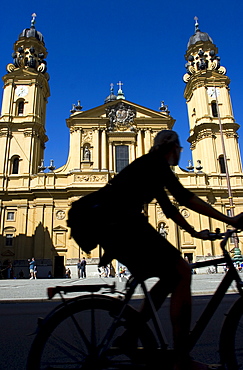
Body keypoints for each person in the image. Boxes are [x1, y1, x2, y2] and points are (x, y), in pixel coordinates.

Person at [68, 130, 243, 370]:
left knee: (171, 275)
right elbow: (184, 197)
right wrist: (229, 220)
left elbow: (169, 209)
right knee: (181, 271)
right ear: (172, 149)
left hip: (114, 224)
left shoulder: (149, 166)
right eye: (180, 149)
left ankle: (131, 335)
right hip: (118, 223)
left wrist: (193, 233)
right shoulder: (156, 164)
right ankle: (180, 358)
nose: (180, 153)